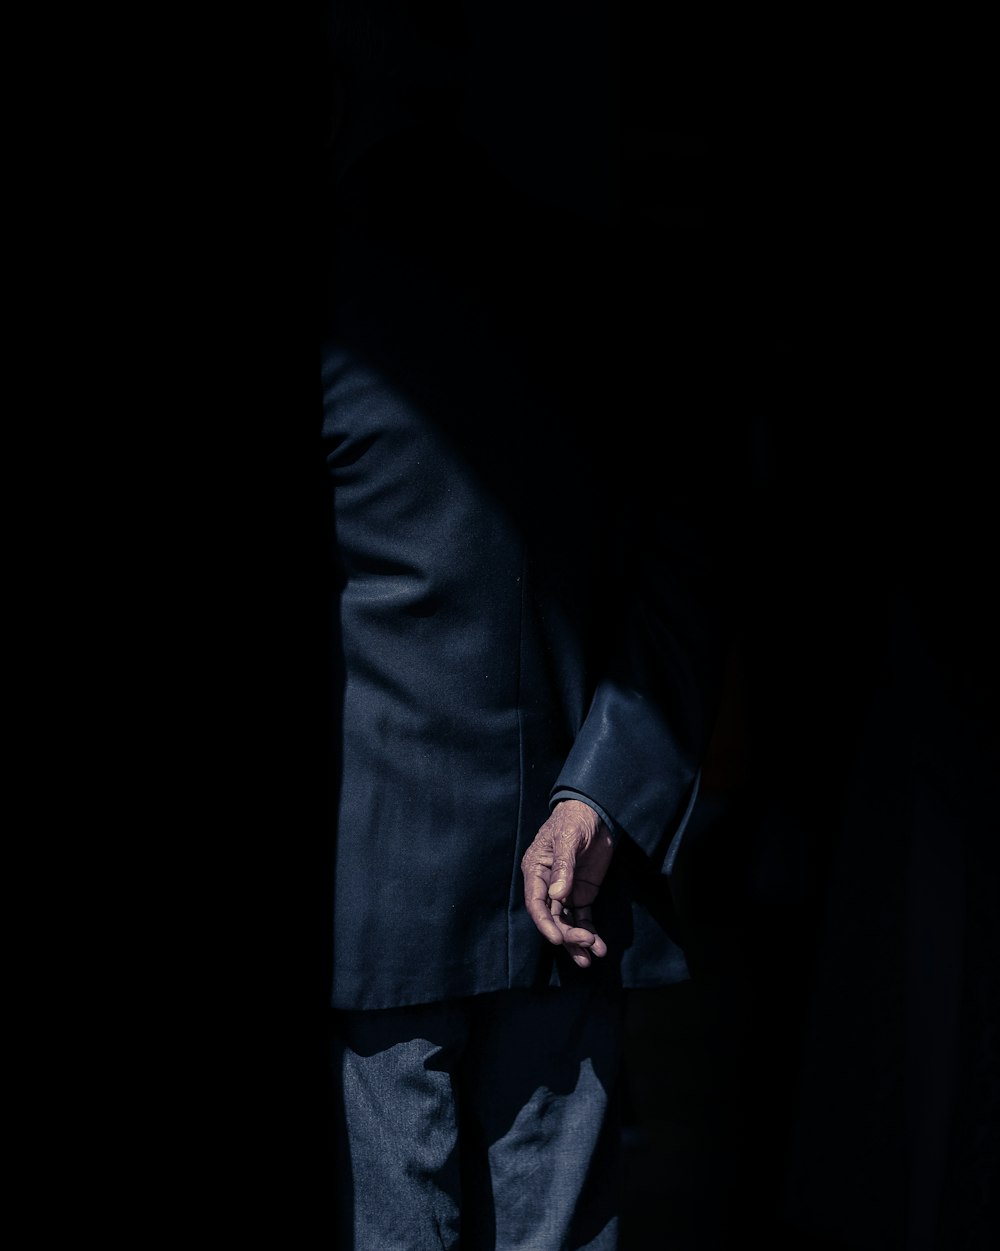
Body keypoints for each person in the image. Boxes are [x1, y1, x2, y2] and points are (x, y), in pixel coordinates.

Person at [320, 3, 744, 1246]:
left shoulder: (342, 298)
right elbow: (685, 563)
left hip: (370, 904)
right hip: (572, 890)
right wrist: (593, 799)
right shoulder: (601, 297)